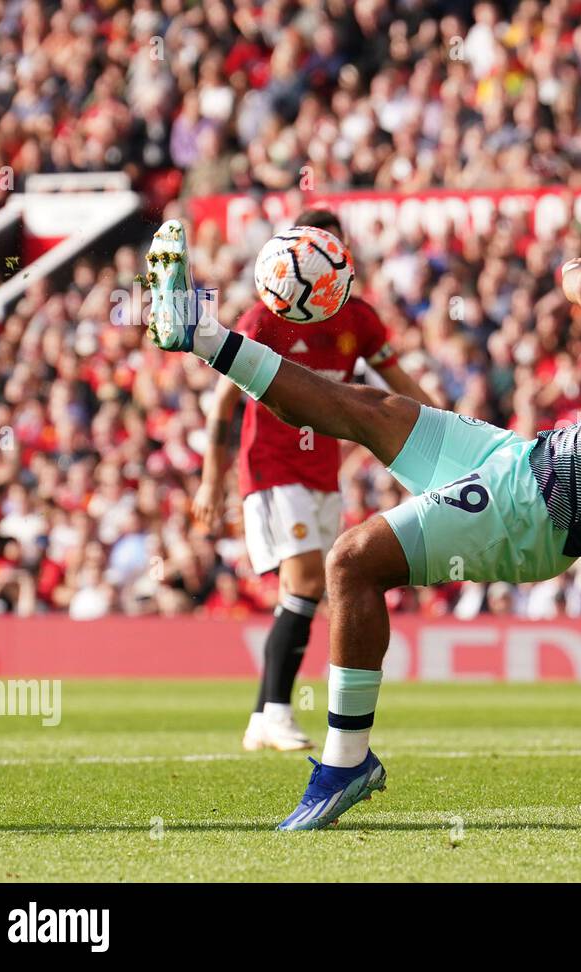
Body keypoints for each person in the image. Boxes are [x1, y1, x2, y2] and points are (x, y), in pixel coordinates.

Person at [144, 219, 581, 830]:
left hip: (537, 511)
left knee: (350, 561)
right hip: (527, 462)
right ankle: (197, 332)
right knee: (364, 407)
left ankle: (345, 760)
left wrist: (578, 265)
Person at [189, 209, 433, 753]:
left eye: (338, 251)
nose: (333, 263)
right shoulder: (266, 318)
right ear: (298, 252)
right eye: (322, 251)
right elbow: (223, 403)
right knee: (302, 581)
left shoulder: (361, 320)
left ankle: (261, 715)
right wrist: (212, 479)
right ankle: (276, 711)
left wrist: (449, 428)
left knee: (308, 589)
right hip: (272, 465)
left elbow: (401, 385)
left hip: (322, 470)